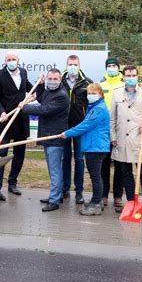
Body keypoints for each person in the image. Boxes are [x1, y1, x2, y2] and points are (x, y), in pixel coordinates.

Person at [110, 65, 142, 221]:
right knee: (126, 175)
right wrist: (113, 136)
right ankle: (132, 203)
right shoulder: (117, 93)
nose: (130, 77)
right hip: (122, 141)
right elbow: (112, 118)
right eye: (127, 75)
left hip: (139, 141)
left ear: (137, 76)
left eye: (133, 74)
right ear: (123, 77)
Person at [21, 69, 70, 212]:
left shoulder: (62, 96)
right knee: (51, 168)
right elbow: (42, 98)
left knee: (55, 170)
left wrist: (24, 107)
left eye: (55, 79)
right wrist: (41, 85)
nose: (52, 81)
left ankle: (54, 200)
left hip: (55, 136)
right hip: (46, 135)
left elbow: (44, 109)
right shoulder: (49, 90)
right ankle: (57, 195)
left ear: (60, 80)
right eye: (50, 78)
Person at [59, 83, 110, 216]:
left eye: (94, 93)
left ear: (100, 94)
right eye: (89, 93)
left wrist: (67, 133)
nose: (90, 96)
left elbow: (85, 126)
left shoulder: (98, 109)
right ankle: (96, 201)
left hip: (96, 147)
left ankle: (96, 204)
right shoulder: (93, 107)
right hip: (93, 146)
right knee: (96, 175)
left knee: (95, 176)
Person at [0, 51, 33, 201]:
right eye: (9, 59)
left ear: (18, 61)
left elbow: (29, 88)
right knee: (1, 155)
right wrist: (1, 112)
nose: (11, 61)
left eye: (13, 59)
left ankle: (12, 183)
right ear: (5, 61)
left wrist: (35, 91)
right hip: (6, 120)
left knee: (19, 154)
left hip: (21, 120)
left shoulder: (23, 72)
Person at [60, 54, 92, 204]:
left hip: (80, 127)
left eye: (75, 64)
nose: (72, 67)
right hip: (63, 127)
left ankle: (79, 192)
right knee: (65, 158)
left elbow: (92, 105)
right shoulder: (59, 81)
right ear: (66, 65)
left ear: (79, 66)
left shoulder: (87, 82)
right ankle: (64, 189)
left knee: (79, 159)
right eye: (70, 64)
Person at [99, 57, 125, 210]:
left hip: (121, 130)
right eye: (109, 65)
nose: (111, 68)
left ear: (118, 68)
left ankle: (118, 196)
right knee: (104, 164)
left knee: (120, 165)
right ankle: (103, 195)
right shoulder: (101, 85)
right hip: (104, 130)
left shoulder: (124, 84)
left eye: (114, 65)